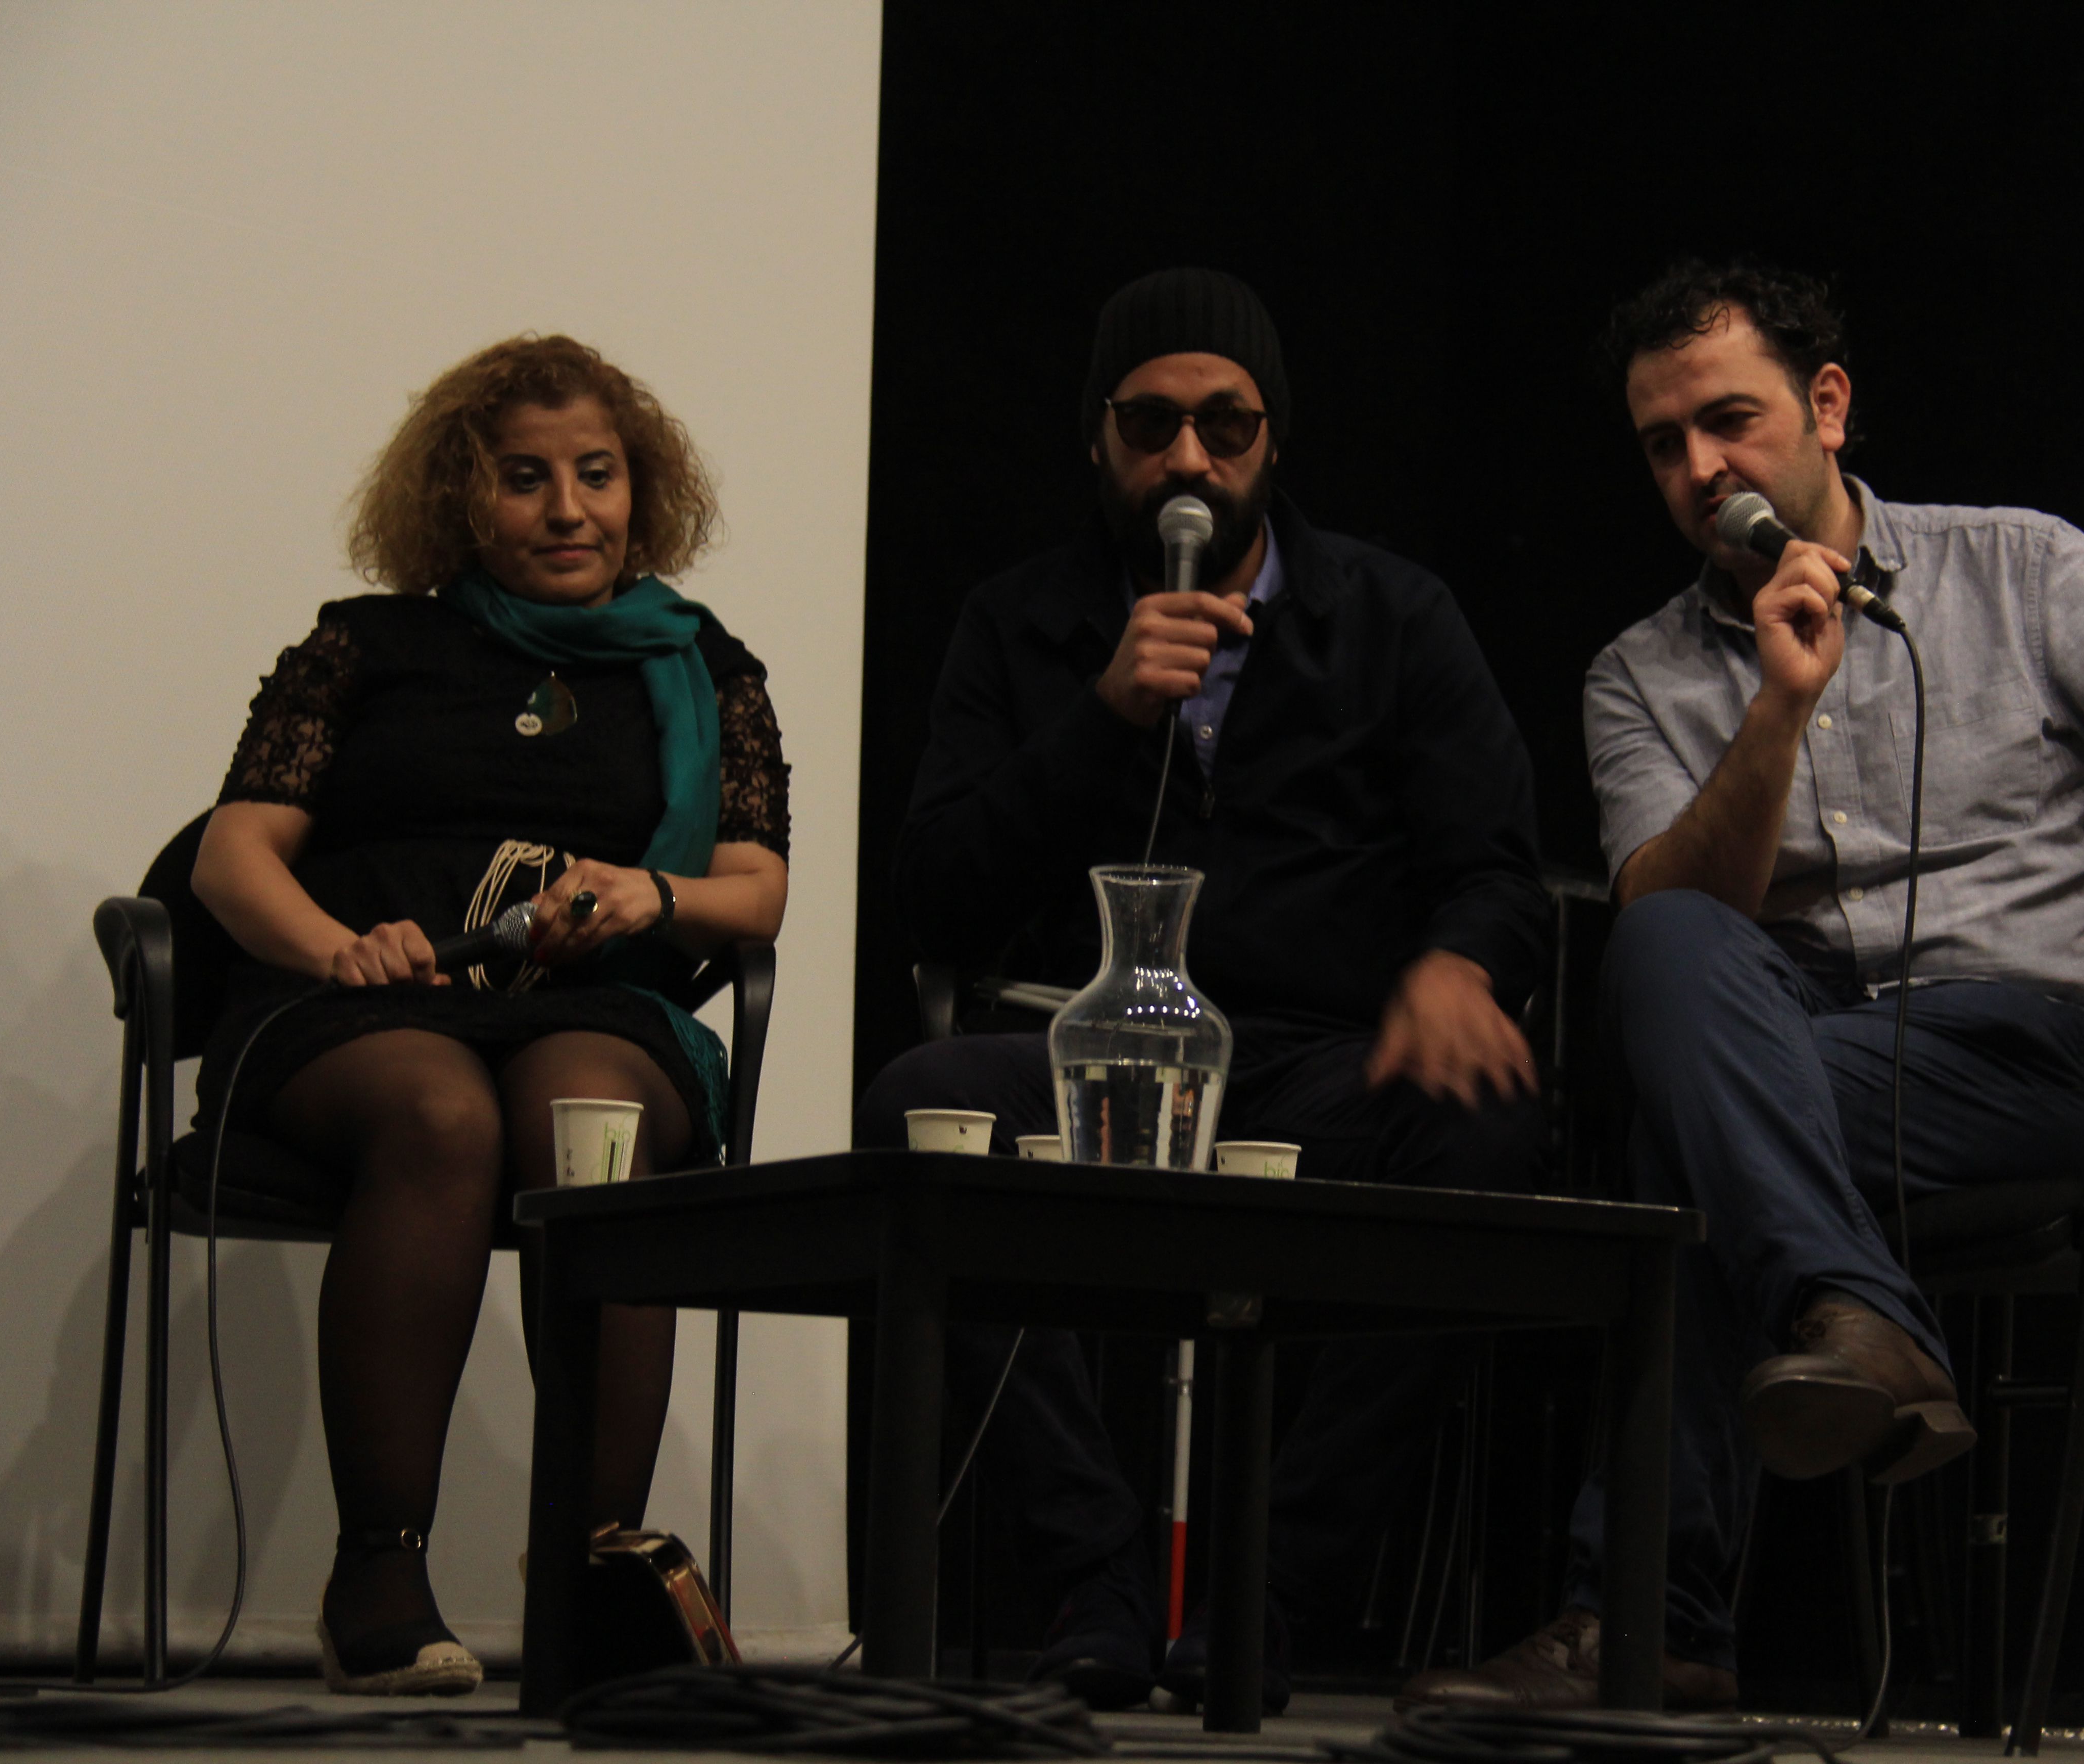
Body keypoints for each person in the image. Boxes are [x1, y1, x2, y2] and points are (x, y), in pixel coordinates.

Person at [1401, 257, 2084, 1711]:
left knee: (1689, 1133)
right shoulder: (1638, 675)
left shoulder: (2019, 568)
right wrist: (1779, 706)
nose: (1698, 468)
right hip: (1815, 1052)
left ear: (1829, 407)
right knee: (1662, 951)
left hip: (2051, 1051)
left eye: (1729, 420)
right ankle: (1864, 1321)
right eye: (1663, 445)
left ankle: (1650, 1622)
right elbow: (1681, 923)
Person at [859, 267, 1551, 1712]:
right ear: (1098, 440)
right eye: (1151, 424)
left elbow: (1494, 866)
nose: (1189, 458)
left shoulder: (1392, 614)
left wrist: (1457, 966)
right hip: (1090, 1054)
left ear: (1272, 440)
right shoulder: (1022, 624)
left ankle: (1266, 1591)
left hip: (1318, 1059)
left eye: (1225, 425)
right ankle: (1098, 1575)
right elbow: (935, 894)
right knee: (925, 1104)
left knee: (1483, 1123)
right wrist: (1102, 717)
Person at [190, 335, 790, 1694]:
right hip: (361, 1013)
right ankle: (378, 1570)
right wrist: (344, 948)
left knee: (595, 1117)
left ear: (642, 490)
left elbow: (754, 892)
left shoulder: (704, 668)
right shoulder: (366, 647)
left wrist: (650, 895)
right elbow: (232, 859)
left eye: (597, 475)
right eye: (526, 479)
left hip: (590, 1005)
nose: (568, 510)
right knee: (441, 1113)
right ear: (462, 497)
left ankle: (597, 1574)